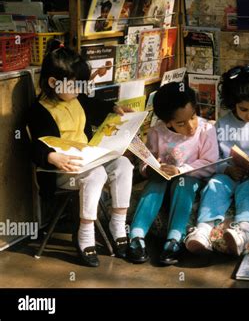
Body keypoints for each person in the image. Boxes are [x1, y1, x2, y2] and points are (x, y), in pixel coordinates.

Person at [28, 40, 134, 267]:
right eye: (76, 86)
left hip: (90, 160)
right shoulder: (39, 110)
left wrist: (115, 109)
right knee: (95, 174)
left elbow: (94, 106)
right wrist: (51, 157)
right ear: (54, 83)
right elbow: (34, 145)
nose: (80, 91)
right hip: (62, 169)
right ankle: (85, 234)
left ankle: (118, 225)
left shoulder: (75, 98)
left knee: (124, 164)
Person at [185, 65, 249, 256]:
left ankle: (242, 232)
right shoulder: (223, 123)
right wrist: (225, 169)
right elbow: (214, 157)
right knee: (214, 185)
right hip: (229, 174)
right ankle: (203, 230)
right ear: (232, 104)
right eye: (243, 109)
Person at [127, 82, 219, 266]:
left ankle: (175, 238)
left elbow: (211, 163)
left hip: (191, 179)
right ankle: (136, 235)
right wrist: (150, 169)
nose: (191, 126)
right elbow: (147, 159)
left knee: (183, 183)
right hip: (164, 180)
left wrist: (180, 170)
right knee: (154, 183)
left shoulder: (206, 130)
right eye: (181, 123)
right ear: (167, 122)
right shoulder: (156, 132)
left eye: (193, 117)